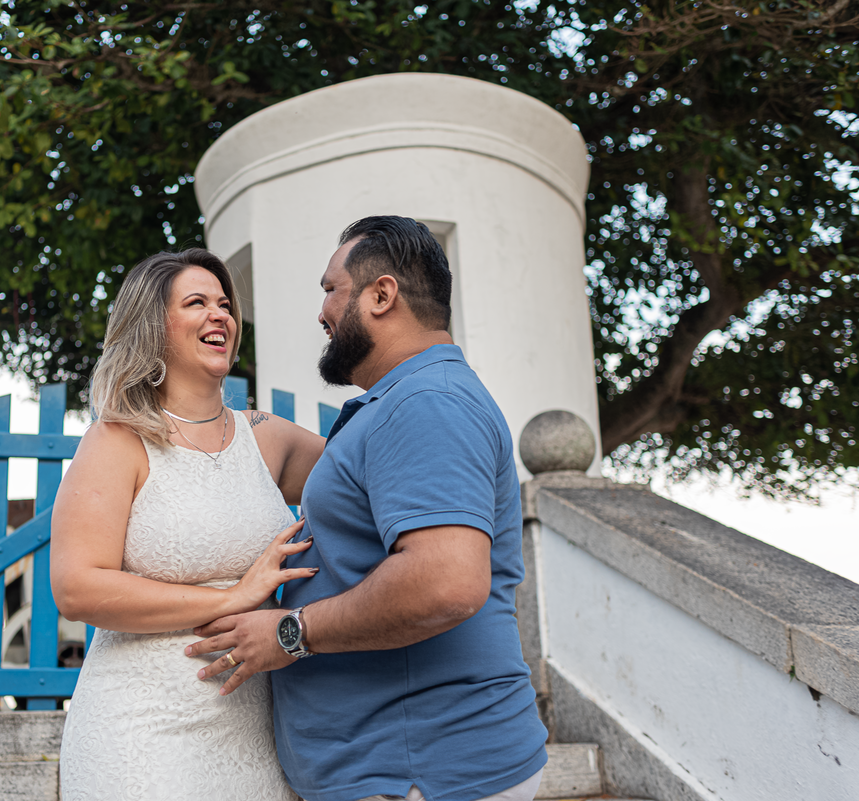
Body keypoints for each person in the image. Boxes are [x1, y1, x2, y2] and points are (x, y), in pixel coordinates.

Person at [188, 216, 550, 801]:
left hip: (419, 770)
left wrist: (290, 632)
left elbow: (446, 583)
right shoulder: (403, 401)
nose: (322, 312)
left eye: (331, 289)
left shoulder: (426, 403)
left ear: (382, 295)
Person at [51, 248, 325, 801]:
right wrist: (232, 598)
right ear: (154, 327)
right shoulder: (116, 440)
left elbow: (370, 483)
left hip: (256, 734)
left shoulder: (266, 438)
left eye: (223, 303)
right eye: (196, 302)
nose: (218, 314)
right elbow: (77, 587)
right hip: (141, 735)